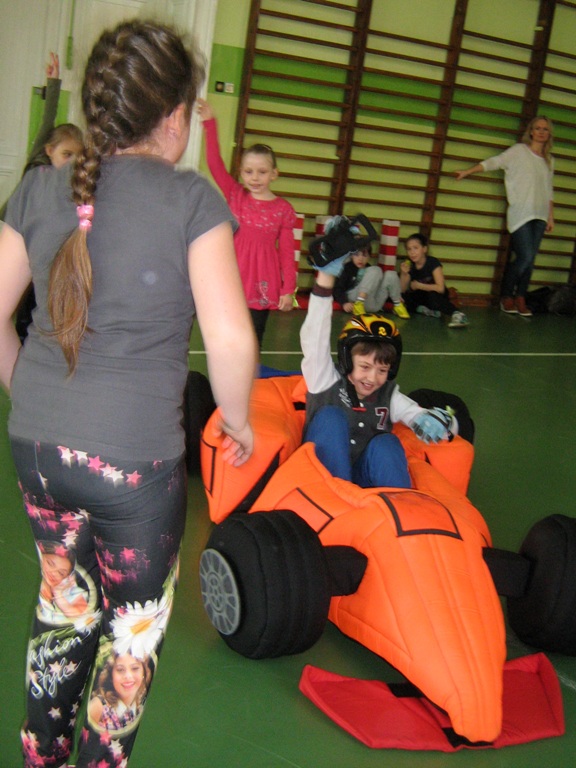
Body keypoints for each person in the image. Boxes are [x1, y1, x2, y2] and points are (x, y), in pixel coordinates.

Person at [0, 19, 257, 768]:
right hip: (135, 467)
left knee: (63, 604)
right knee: (130, 636)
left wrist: (25, 388)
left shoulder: (40, 187)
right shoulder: (191, 200)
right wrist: (237, 420)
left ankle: (42, 757)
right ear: (175, 117)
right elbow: (232, 340)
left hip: (39, 448)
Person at [301, 220, 456, 489]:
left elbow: (439, 422)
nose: (372, 378)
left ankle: (398, 503)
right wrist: (325, 278)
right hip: (322, 480)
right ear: (347, 361)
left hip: (362, 475)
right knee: (331, 418)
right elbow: (314, 335)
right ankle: (339, 500)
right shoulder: (324, 379)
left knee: (387, 442)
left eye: (382, 370)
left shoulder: (388, 396)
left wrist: (441, 421)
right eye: (364, 367)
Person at [197, 98, 298, 348]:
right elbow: (214, 164)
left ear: (274, 174)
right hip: (232, 273)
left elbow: (287, 252)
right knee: (227, 334)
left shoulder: (283, 209)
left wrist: (288, 289)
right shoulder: (235, 195)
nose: (255, 178)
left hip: (263, 280)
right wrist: (210, 124)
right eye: (248, 171)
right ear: (241, 172)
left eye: (262, 172)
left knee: (253, 337)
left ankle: (249, 369)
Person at [0, 52, 83, 341]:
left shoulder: (70, 184)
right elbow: (48, 117)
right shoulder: (40, 158)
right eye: (66, 154)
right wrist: (54, 82)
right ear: (49, 150)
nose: (71, 162)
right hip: (15, 230)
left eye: (77, 156)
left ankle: (29, 333)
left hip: (38, 243)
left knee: (34, 294)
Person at [454, 116, 554, 317]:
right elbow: (495, 162)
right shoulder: (519, 151)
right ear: (531, 131)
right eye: (538, 128)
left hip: (541, 215)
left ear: (549, 133)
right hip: (521, 214)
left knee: (530, 260)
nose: (541, 132)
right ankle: (507, 296)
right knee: (525, 257)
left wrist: (550, 216)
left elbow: (549, 189)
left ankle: (521, 297)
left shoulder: (549, 160)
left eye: (545, 129)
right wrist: (469, 171)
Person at [400, 232, 469, 328]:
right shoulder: (409, 265)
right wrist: (404, 273)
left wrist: (419, 285)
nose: (412, 252)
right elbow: (402, 290)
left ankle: (458, 314)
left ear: (424, 249)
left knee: (433, 297)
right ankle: (428, 311)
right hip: (421, 296)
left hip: (436, 295)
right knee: (405, 297)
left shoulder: (433, 262)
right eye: (409, 249)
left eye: (415, 248)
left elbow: (440, 288)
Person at [334, 243, 410, 318]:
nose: (360, 259)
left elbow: (380, 290)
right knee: (376, 269)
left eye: (364, 255)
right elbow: (338, 288)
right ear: (351, 256)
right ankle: (359, 303)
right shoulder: (347, 268)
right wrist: (344, 303)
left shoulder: (371, 270)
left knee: (390, 274)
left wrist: (395, 296)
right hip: (354, 300)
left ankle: (398, 305)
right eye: (356, 255)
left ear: (369, 257)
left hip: (372, 304)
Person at [88, 652, 152, 733]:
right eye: (120, 670)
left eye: (135, 668)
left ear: (144, 674)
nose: (128, 676)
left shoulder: (140, 708)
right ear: (111, 675)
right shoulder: (99, 706)